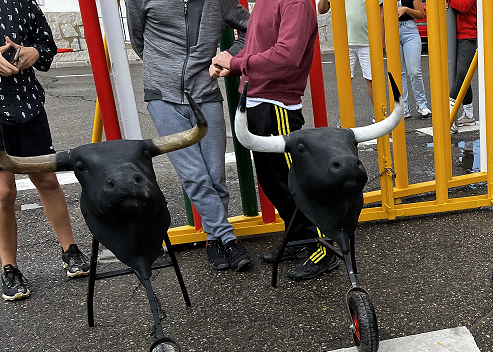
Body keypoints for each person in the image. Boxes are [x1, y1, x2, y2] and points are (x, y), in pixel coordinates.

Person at [211, 0, 336, 281]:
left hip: (278, 105)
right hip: (257, 101)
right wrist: (232, 66)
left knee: (294, 182)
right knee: (272, 182)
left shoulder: (296, 2)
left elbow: (287, 55)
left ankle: (323, 249)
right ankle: (298, 239)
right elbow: (259, 47)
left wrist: (237, 63)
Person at [126, 0, 253, 272]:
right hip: (162, 95)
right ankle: (229, 239)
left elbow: (251, 29)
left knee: (215, 175)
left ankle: (212, 239)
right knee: (194, 175)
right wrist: (161, 69)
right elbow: (139, 41)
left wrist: (229, 55)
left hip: (205, 91)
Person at [0, 2, 90, 302]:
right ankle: (9, 268)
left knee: (48, 181)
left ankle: (70, 250)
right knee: (3, 194)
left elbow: (46, 46)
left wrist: (33, 53)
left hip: (28, 107)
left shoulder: (22, 3)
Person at [318, 0, 375, 110]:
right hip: (344, 42)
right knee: (345, 80)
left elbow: (380, 10)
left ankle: (379, 114)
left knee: (372, 80)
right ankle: (345, 118)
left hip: (367, 41)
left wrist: (381, 39)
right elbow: (321, 10)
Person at [393, 0, 430, 119]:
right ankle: (403, 108)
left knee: (414, 71)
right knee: (399, 72)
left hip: (410, 29)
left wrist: (405, 9)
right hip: (392, 29)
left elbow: (421, 14)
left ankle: (422, 105)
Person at [448, 0, 478, 132]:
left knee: (461, 73)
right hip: (451, 35)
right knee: (462, 76)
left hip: (467, 36)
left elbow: (464, 6)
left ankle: (450, 112)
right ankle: (469, 115)